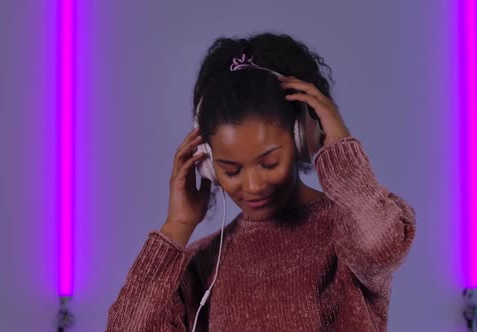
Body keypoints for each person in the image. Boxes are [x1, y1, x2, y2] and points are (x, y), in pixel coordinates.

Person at [106, 32, 416, 332]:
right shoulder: (203, 262)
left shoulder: (350, 229)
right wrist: (177, 226)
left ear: (302, 138)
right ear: (208, 165)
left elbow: (380, 247)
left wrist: (339, 151)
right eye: (231, 170)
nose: (253, 186)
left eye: (268, 163)